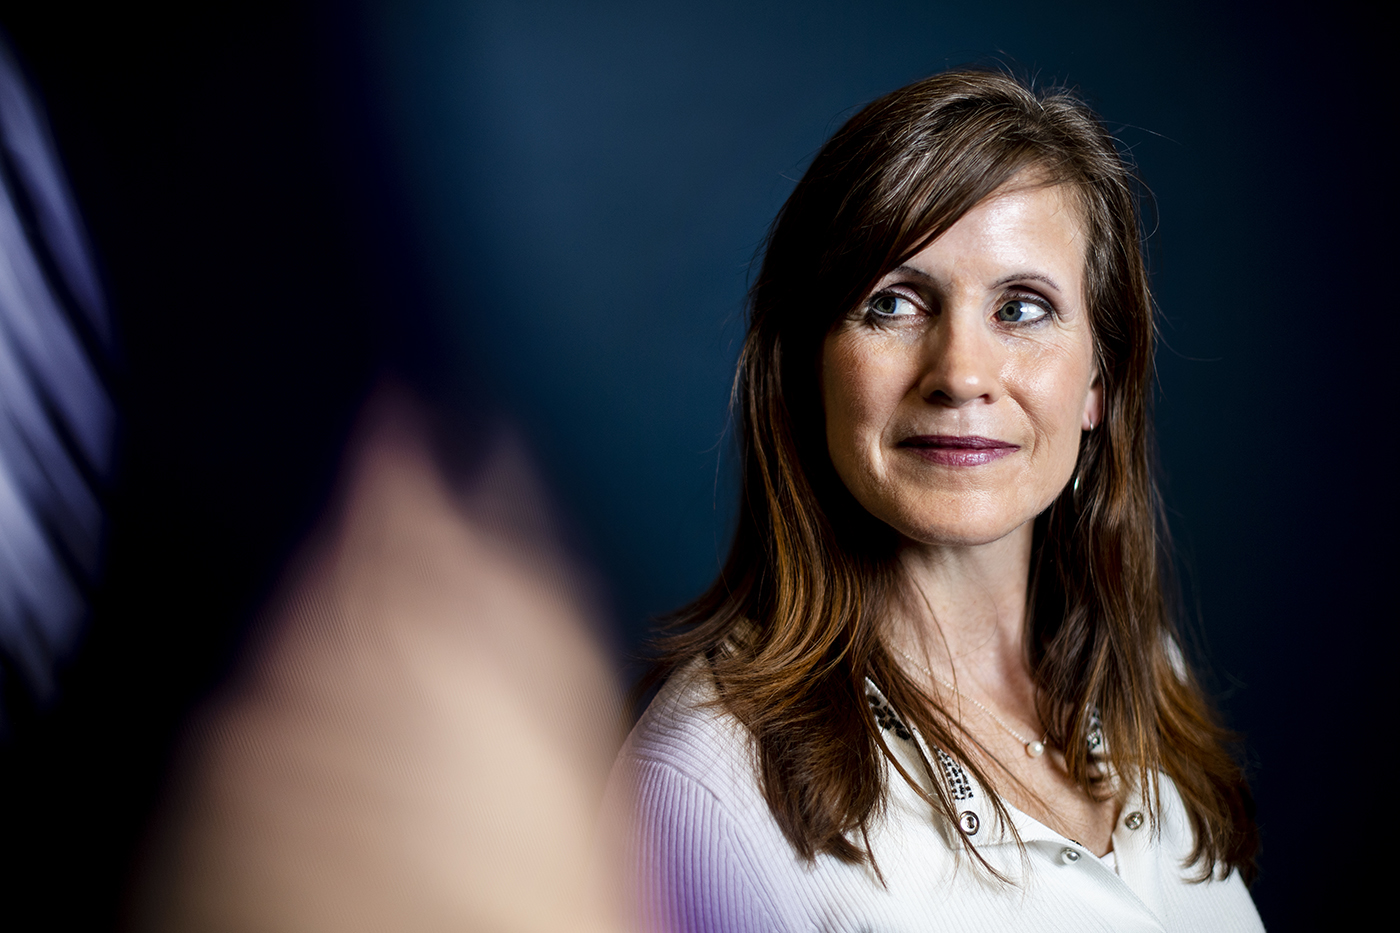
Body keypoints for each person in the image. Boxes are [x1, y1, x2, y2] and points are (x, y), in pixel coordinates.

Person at [610, 69, 1262, 932]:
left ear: (1098, 381)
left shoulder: (1143, 675)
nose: (959, 374)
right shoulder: (701, 786)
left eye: (1022, 308)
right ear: (808, 370)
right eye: (892, 304)